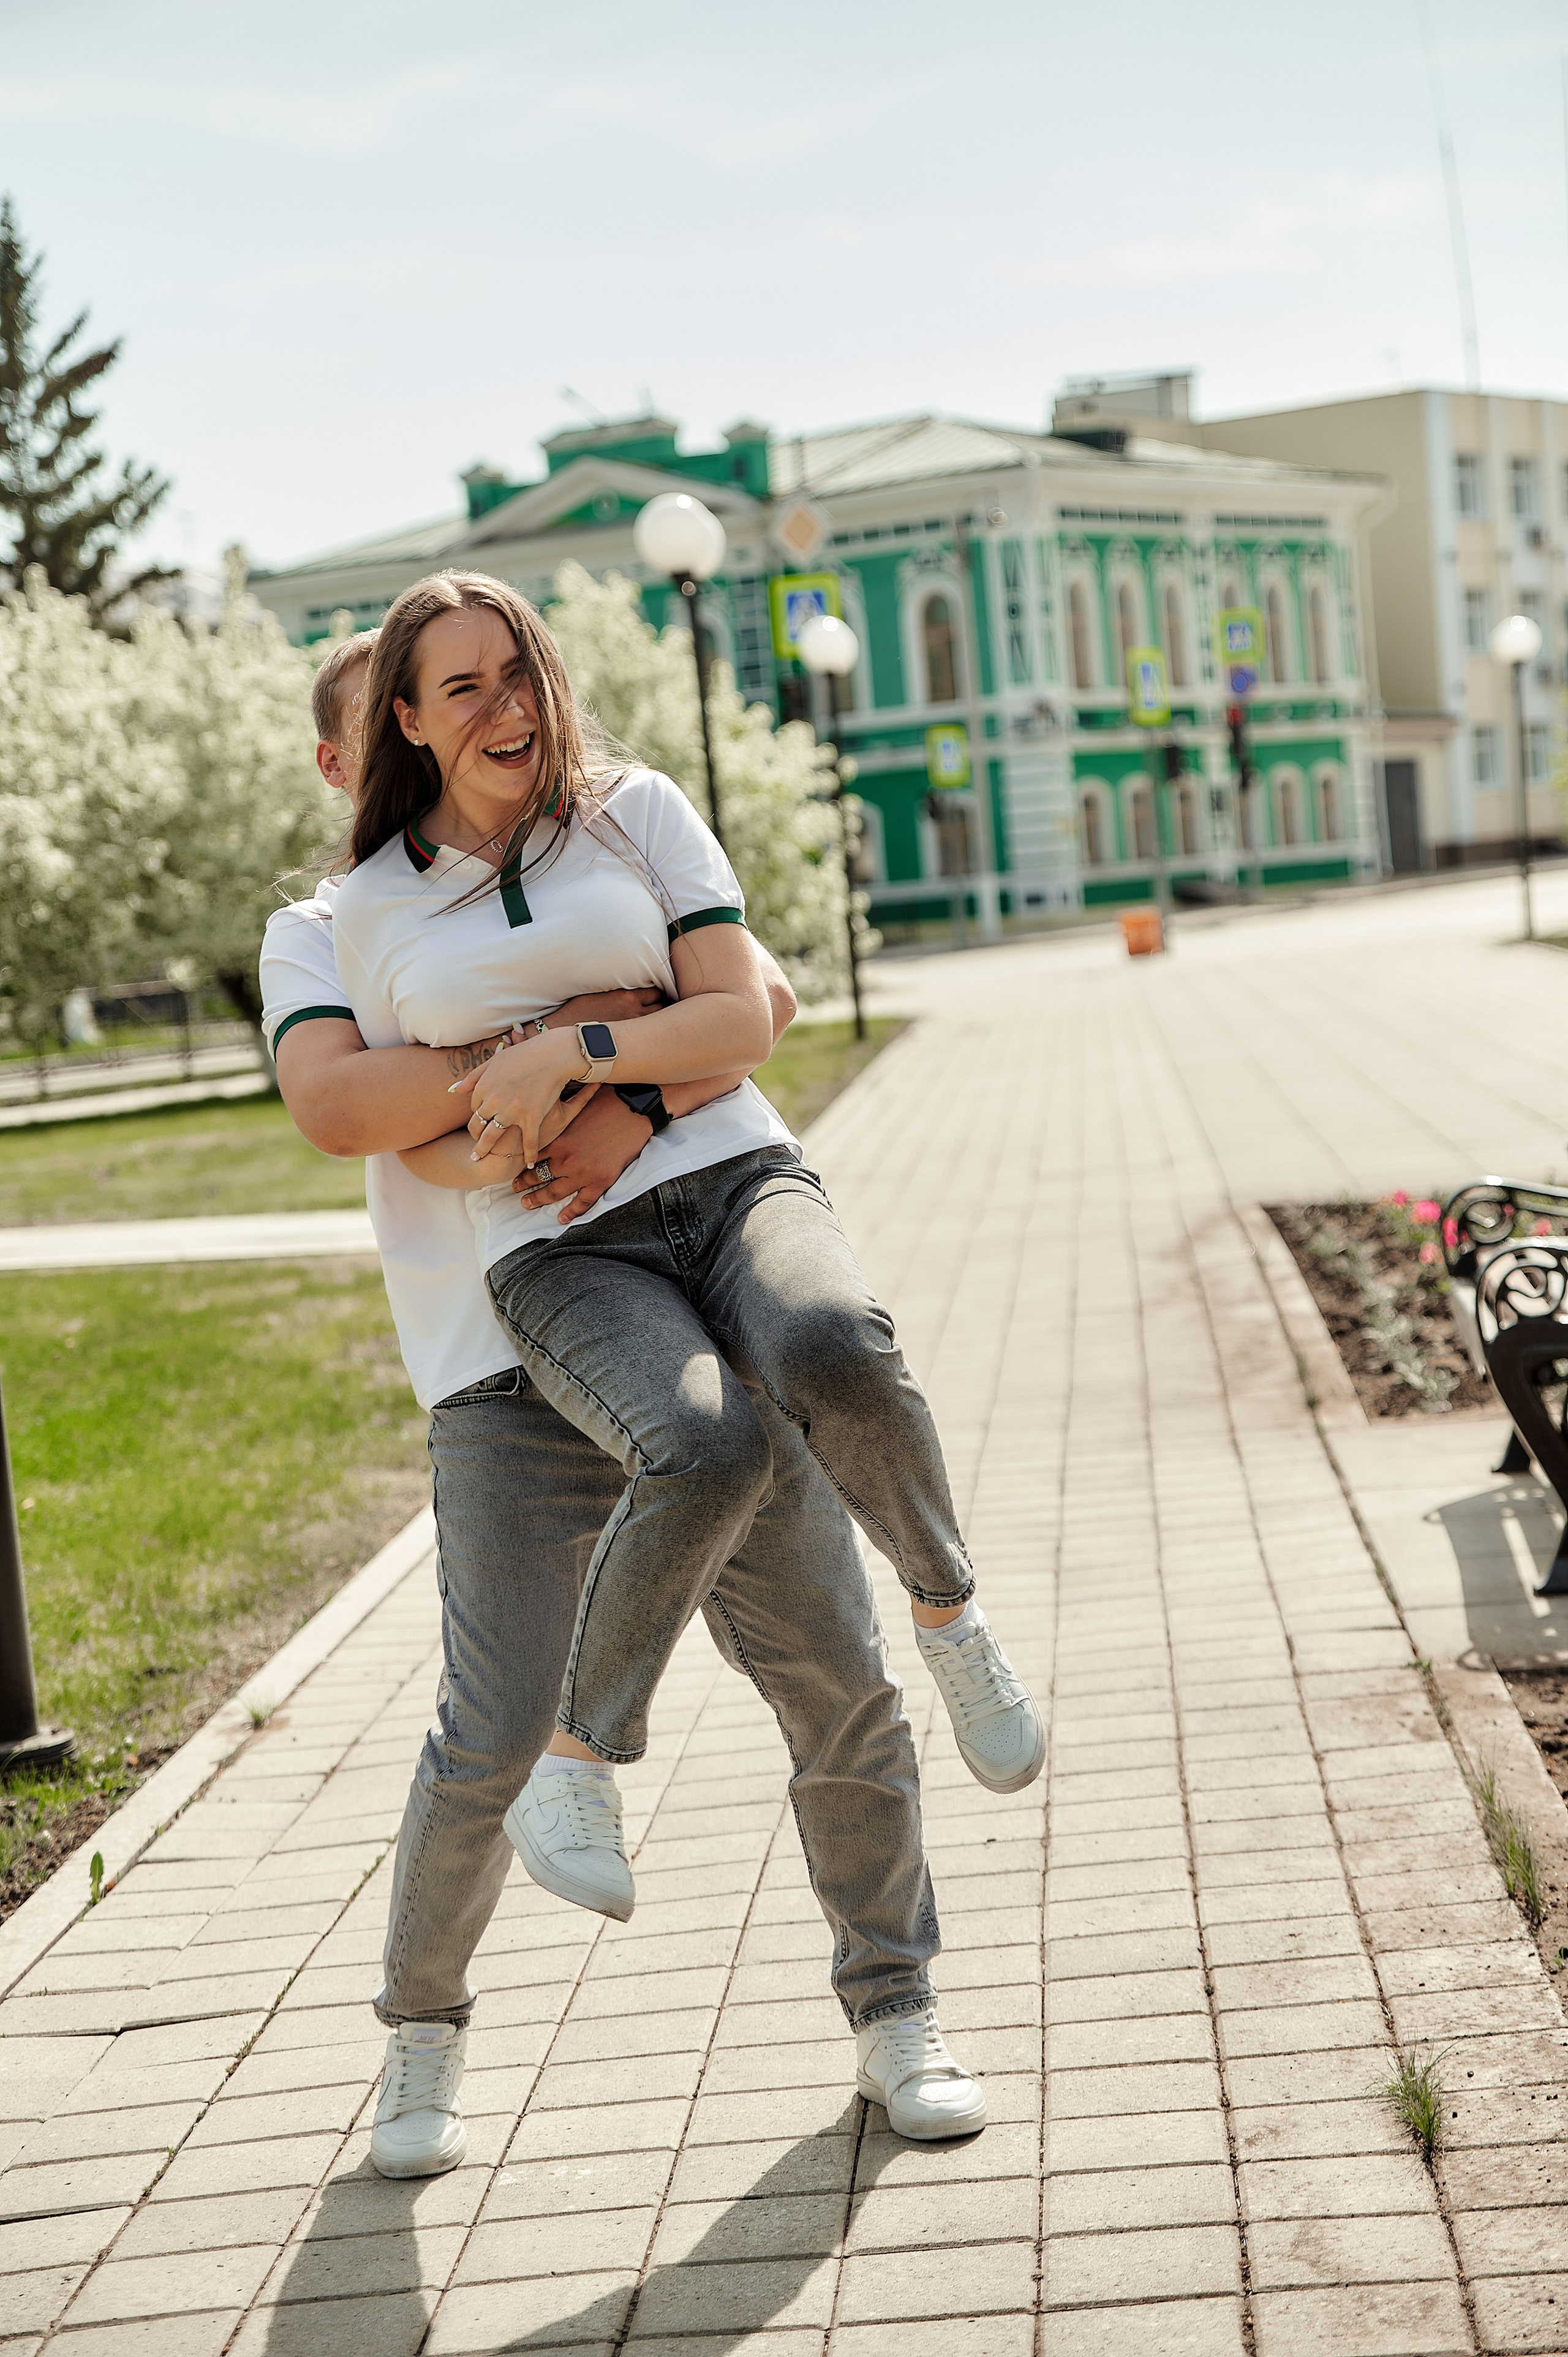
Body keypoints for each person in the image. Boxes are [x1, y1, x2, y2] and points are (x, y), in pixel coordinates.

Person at [260, 631, 992, 2178]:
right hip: (496, 1367)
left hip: (688, 1331)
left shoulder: (594, 836)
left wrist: (586, 1062)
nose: (467, 738)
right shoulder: (324, 933)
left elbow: (737, 1000)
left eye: (496, 693)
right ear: (373, 745)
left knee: (834, 1678)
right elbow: (345, 1107)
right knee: (487, 1735)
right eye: (401, 721)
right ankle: (420, 2037)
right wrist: (543, 1046)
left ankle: (897, 2007)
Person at [331, 570, 1045, 1931]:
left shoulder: (637, 813)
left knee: (836, 1343)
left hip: (730, 1177)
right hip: (560, 1244)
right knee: (702, 1442)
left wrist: (584, 1063)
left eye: (519, 671)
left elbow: (739, 1018)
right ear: (409, 721)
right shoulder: (368, 906)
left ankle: (950, 1614)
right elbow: (404, 1133)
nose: (505, 708)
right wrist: (519, 1119)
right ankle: (583, 1758)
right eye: (463, 686)